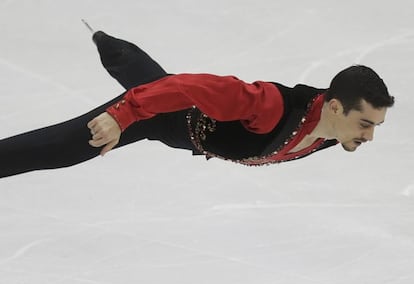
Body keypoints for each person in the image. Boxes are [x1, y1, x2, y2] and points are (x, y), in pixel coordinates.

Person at [0, 31, 394, 179]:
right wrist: (123, 115)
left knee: (148, 76)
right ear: (336, 107)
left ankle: (111, 46)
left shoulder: (330, 133)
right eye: (365, 123)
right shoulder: (269, 106)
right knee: (65, 147)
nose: (370, 136)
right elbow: (190, 88)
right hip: (164, 116)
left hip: (187, 132)